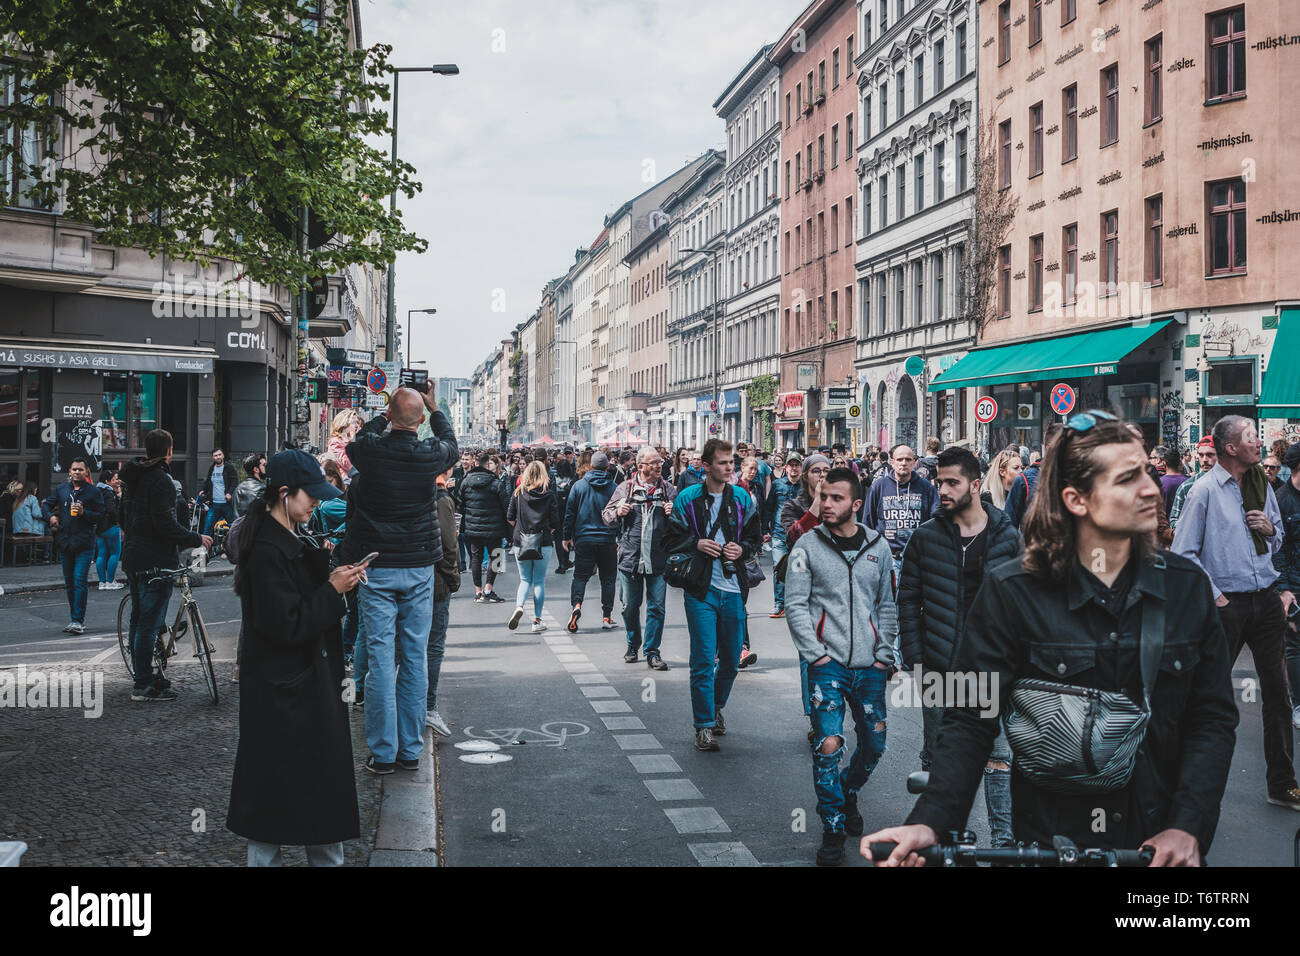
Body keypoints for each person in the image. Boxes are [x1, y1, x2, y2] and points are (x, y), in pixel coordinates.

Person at [865, 411, 1239, 867]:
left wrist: (1188, 826)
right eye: (1127, 478)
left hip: (1156, 837)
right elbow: (969, 715)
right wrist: (932, 818)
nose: (1149, 488)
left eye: (1145, 470)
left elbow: (1212, 719)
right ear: (1076, 499)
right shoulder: (1013, 591)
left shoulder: (1186, 587)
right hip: (1049, 837)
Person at [226, 449, 367, 866]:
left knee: (302, 812)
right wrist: (332, 590)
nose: (317, 503)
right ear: (285, 494)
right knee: (282, 815)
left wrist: (330, 579)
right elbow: (285, 624)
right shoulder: (267, 550)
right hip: (287, 697)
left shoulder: (280, 538)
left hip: (295, 692)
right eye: (311, 496)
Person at [1172, 415, 1299, 811]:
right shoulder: (1204, 492)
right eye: (1251, 438)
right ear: (1231, 448)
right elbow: (1183, 554)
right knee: (1207, 695)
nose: (1259, 443)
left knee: (1278, 694)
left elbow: (1277, 539)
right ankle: (1184, 785)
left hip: (1265, 599)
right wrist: (1217, 597)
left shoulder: (1263, 486)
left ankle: (1282, 783)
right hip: (1226, 605)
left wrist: (1268, 527)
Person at [897, 447, 1021, 848]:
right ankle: (943, 840)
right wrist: (916, 659)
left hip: (992, 672)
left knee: (999, 759)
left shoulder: (1006, 536)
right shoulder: (926, 536)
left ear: (975, 484)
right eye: (939, 482)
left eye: (952, 482)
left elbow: (1022, 604)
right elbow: (908, 601)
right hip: (938, 666)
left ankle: (1004, 842)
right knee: (940, 757)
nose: (943, 489)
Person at [340, 384, 458, 775]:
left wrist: (384, 411)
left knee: (379, 660)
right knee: (414, 660)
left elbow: (357, 440)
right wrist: (434, 408)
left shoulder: (370, 452)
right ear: (421, 421)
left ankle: (383, 752)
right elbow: (450, 443)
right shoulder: (429, 455)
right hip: (419, 566)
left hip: (377, 566)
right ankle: (411, 750)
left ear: (389, 417)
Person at [784, 467, 898, 866]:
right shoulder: (808, 546)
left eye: (836, 498)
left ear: (856, 504)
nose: (827, 504)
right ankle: (832, 826)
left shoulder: (878, 546)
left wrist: (885, 654)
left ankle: (849, 791)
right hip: (826, 666)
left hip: (869, 666)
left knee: (874, 745)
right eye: (823, 495)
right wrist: (815, 653)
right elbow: (795, 604)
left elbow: (886, 604)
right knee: (828, 745)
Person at [663, 438, 763, 752]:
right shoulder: (687, 498)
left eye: (731, 462)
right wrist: (696, 543)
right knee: (703, 659)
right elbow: (670, 540)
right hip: (701, 588)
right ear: (706, 466)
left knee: (731, 660)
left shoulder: (744, 498)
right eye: (722, 462)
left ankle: (716, 705)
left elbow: (754, 539)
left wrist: (741, 548)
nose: (729, 467)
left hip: (734, 590)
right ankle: (703, 726)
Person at [120, 430, 211, 700]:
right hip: (155, 561)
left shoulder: (132, 479)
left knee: (139, 620)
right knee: (149, 622)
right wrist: (197, 537)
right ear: (169, 451)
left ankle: (144, 675)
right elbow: (165, 524)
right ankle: (143, 684)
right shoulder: (162, 481)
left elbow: (121, 517)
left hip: (133, 557)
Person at [602, 446, 675, 669]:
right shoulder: (625, 489)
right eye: (653, 463)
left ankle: (652, 651)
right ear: (640, 466)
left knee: (656, 607)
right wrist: (618, 512)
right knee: (629, 606)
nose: (659, 466)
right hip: (630, 558)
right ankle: (633, 643)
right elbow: (607, 516)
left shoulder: (669, 490)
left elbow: (684, 525)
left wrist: (675, 514)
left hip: (658, 558)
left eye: (660, 462)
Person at [44, 458, 106, 634]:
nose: (77, 472)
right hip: (65, 542)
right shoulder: (62, 490)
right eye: (74, 469)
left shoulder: (93, 492)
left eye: (80, 469)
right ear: (69, 472)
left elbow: (101, 515)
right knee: (70, 583)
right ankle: (74, 618)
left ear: (86, 472)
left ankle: (78, 620)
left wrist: (84, 512)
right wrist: (50, 517)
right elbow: (47, 505)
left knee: (79, 581)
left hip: (84, 543)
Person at [863, 444, 939, 578]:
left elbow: (936, 523)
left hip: (917, 558)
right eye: (899, 459)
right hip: (887, 557)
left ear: (914, 462)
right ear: (892, 462)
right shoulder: (879, 487)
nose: (904, 463)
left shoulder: (926, 487)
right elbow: (868, 523)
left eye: (908, 459)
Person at [562, 451, 619, 631]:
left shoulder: (579, 486)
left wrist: (566, 536)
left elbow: (569, 513)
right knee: (608, 579)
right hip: (607, 539)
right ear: (607, 467)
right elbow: (621, 514)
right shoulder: (614, 487)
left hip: (584, 539)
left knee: (580, 576)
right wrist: (620, 537)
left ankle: (576, 606)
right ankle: (606, 616)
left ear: (591, 467)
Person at [506, 460, 561, 634]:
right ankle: (537, 620)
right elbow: (555, 521)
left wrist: (521, 527)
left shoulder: (518, 493)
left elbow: (510, 516)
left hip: (521, 540)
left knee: (524, 579)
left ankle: (519, 606)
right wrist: (547, 530)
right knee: (538, 581)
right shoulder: (549, 494)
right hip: (542, 540)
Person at [427, 465, 461, 737]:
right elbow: (449, 546)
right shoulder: (441, 499)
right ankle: (428, 707)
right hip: (437, 583)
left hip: (416, 578)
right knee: (433, 646)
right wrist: (454, 578)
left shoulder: (416, 493)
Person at [459, 450, 511, 603]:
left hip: (473, 528)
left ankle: (478, 591)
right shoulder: (496, 483)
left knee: (476, 557)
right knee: (496, 556)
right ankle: (488, 588)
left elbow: (460, 504)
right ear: (488, 464)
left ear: (475, 463)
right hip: (494, 529)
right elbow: (506, 505)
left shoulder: (466, 481)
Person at [768, 454, 803, 618]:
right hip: (779, 533)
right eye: (791, 465)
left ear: (801, 468)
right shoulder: (777, 485)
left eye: (797, 465)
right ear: (786, 467)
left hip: (800, 535)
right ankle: (779, 603)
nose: (794, 468)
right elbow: (769, 507)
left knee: (799, 570)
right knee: (779, 568)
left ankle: (796, 603)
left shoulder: (806, 487)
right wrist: (764, 530)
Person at [1169, 435, 1217, 529]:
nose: (1204, 460)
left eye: (1209, 455)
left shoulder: (1232, 485)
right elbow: (1174, 521)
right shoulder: (1187, 487)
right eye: (1201, 455)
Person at [94, 468, 125, 590]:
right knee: (115, 553)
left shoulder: (97, 491)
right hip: (111, 526)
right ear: (107, 481)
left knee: (101, 554)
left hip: (100, 527)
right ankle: (110, 581)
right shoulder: (108, 492)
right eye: (114, 479)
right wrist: (118, 520)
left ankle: (102, 582)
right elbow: (112, 510)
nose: (117, 481)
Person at [200, 448, 238, 534]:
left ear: (223, 455)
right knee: (207, 530)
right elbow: (208, 482)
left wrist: (229, 493)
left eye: (219, 455)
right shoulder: (212, 468)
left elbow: (235, 481)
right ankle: (207, 547)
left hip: (227, 505)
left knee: (233, 529)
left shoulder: (229, 467)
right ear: (213, 458)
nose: (218, 457)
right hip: (214, 505)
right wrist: (204, 491)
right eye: (215, 456)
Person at [325, 410, 362, 482]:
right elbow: (348, 463)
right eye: (353, 422)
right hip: (344, 482)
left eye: (358, 423)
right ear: (344, 425)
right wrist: (353, 439)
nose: (357, 426)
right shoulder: (336, 442)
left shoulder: (354, 441)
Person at [1160, 446, 1188, 515]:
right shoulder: (1187, 482)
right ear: (1180, 463)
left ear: (1163, 463)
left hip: (1165, 524)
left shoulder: (1159, 483)